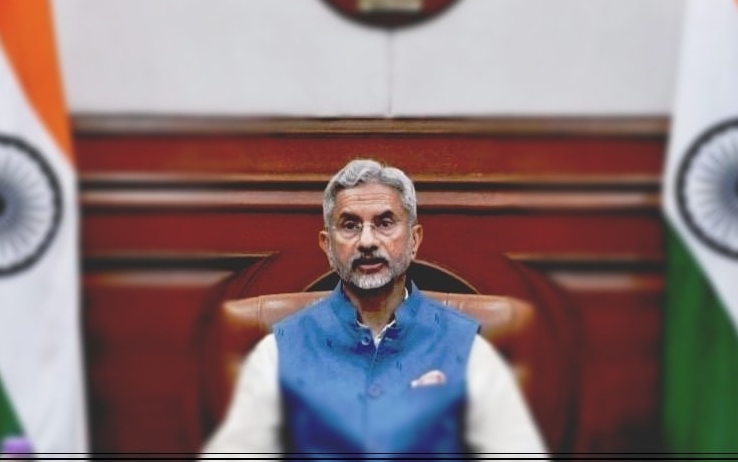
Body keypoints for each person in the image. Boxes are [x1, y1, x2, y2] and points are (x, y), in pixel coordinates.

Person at [202, 159, 547, 455]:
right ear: (328, 246)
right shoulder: (276, 352)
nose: (367, 241)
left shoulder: (469, 350)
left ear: (414, 240)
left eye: (384, 223)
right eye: (350, 225)